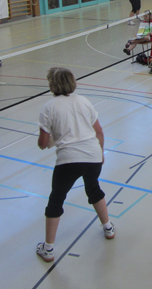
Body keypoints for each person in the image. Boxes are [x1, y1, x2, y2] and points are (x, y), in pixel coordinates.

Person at [36, 67, 115, 262]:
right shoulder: (84, 101)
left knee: (56, 199)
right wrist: (101, 153)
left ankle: (48, 249)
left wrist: (49, 140)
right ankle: (108, 227)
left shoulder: (48, 107)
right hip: (93, 156)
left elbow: (43, 143)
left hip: (68, 161)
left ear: (52, 85)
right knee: (93, 189)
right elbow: (99, 131)